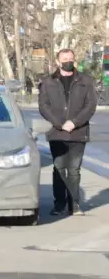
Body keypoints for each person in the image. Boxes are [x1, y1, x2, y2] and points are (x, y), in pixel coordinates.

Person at [39, 48, 97, 216]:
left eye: (71, 58)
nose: (68, 61)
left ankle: (75, 204)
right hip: (57, 133)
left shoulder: (85, 80)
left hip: (78, 132)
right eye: (65, 59)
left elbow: (90, 105)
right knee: (59, 168)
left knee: (73, 169)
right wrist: (59, 123)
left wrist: (75, 122)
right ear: (58, 61)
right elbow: (44, 106)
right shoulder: (48, 82)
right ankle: (59, 204)